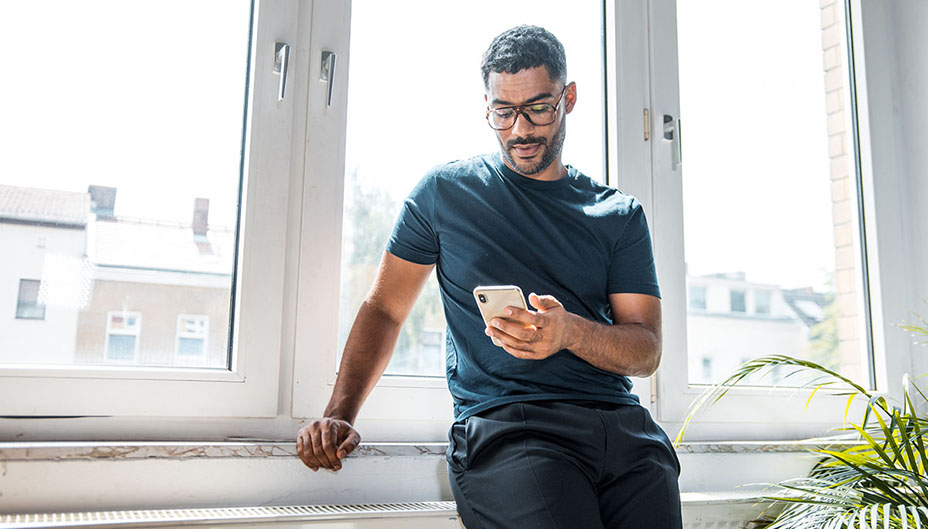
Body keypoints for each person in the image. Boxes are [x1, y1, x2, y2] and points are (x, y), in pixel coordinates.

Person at [296, 25, 682, 529]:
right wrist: (341, 411)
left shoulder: (618, 214)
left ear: (568, 98)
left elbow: (646, 350)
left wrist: (569, 332)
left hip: (626, 434)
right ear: (488, 108)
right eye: (504, 112)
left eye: (538, 109)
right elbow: (385, 309)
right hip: (513, 431)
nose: (520, 129)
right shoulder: (443, 195)